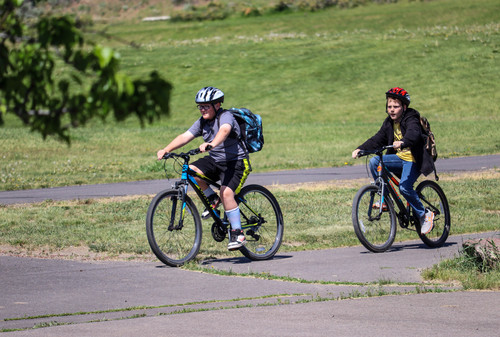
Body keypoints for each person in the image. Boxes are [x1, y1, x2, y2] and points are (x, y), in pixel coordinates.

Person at [156, 86, 251, 250]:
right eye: (200, 106)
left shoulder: (225, 116)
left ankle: (238, 233)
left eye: (206, 106)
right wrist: (166, 149)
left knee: (226, 193)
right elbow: (186, 136)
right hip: (216, 160)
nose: (202, 109)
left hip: (236, 162)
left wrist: (211, 144)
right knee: (192, 170)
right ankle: (213, 200)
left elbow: (225, 130)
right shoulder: (202, 122)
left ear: (217, 105)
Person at [351, 87, 435, 234]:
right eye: (389, 106)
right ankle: (384, 199)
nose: (392, 110)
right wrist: (360, 149)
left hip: (414, 160)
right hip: (398, 159)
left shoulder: (411, 117)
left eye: (395, 107)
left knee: (404, 187)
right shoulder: (389, 123)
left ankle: (424, 214)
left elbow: (414, 133)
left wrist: (403, 142)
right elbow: (377, 139)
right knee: (374, 161)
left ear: (404, 107)